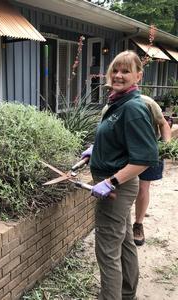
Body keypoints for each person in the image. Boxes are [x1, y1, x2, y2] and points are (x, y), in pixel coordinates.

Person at [81, 50, 159, 300]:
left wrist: (110, 182)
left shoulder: (133, 108)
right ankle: (126, 293)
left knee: (106, 250)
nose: (118, 75)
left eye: (125, 71)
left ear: (138, 75)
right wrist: (97, 149)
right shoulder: (118, 102)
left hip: (116, 188)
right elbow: (122, 141)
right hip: (115, 184)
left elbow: (145, 158)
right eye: (115, 69)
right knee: (124, 242)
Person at [101, 95, 172, 246]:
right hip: (123, 154)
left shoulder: (147, 103)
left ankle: (138, 225)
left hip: (148, 150)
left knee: (143, 188)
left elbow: (163, 124)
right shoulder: (108, 109)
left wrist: (165, 147)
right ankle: (123, 225)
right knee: (123, 188)